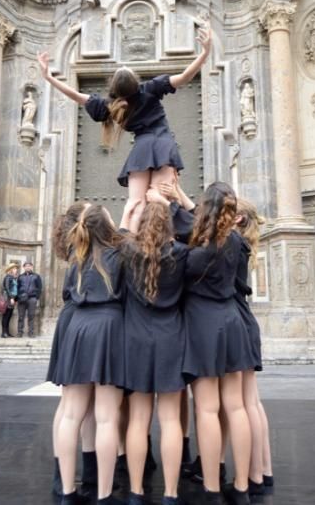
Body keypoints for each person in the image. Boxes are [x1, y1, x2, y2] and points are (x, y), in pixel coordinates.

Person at [37, 19, 211, 220]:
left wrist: (49, 78)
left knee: (135, 204)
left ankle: (128, 245)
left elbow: (76, 95)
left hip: (141, 150)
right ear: (136, 82)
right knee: (161, 202)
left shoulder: (111, 107)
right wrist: (204, 53)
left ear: (113, 89)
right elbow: (184, 77)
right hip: (163, 146)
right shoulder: (151, 89)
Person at [53, 203, 134, 505]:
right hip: (109, 327)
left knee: (71, 415)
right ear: (106, 225)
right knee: (106, 418)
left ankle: (66, 492)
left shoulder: (77, 256)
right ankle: (103, 493)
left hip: (78, 328)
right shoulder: (121, 253)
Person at [183, 182, 255, 505]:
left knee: (208, 409)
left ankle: (212, 487)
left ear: (206, 210)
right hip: (233, 322)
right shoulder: (237, 242)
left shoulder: (196, 253)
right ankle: (241, 488)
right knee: (236, 407)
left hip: (204, 327)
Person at [121, 199, 189, 505]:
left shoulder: (129, 252)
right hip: (171, 338)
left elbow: (122, 236)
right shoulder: (182, 254)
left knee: (138, 420)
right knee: (171, 419)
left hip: (135, 339)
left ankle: (136, 491)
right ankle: (171, 493)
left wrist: (128, 215)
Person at [48, 201, 100, 498]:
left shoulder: (77, 250)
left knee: (76, 404)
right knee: (74, 406)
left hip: (71, 322)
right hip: (78, 322)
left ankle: (76, 475)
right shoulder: (84, 251)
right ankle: (68, 480)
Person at [233, 199, 274, 495]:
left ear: (236, 219)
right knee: (252, 403)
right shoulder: (243, 244)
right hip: (245, 322)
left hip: (236, 323)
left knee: (243, 404)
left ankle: (249, 477)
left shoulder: (231, 243)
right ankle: (263, 471)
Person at [16, 261, 42, 338]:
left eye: (29, 266)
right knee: (21, 317)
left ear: (32, 267)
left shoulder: (36, 276)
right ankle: (20, 332)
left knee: (31, 316)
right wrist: (18, 298)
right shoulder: (20, 277)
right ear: (24, 267)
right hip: (22, 299)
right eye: (26, 266)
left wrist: (36, 297)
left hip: (32, 299)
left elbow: (39, 288)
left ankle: (31, 333)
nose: (28, 267)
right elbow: (17, 288)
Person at [0, 263, 19, 338]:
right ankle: (3, 332)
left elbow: (15, 289)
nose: (16, 270)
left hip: (12, 299)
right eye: (14, 269)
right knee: (6, 316)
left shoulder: (13, 278)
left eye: (16, 268)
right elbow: (7, 288)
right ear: (11, 270)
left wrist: (15, 299)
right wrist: (11, 298)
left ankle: (7, 332)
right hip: (8, 299)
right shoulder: (8, 277)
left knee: (9, 316)